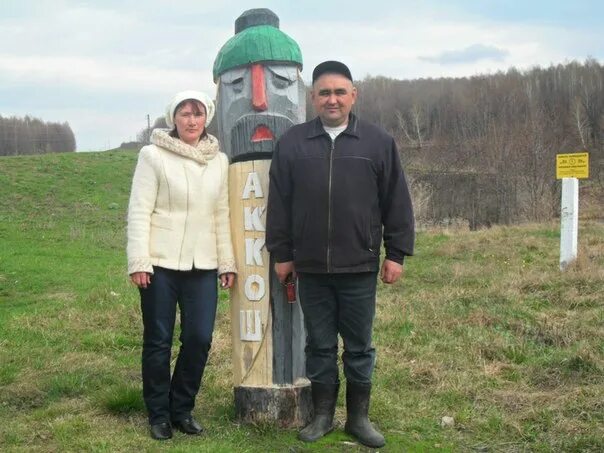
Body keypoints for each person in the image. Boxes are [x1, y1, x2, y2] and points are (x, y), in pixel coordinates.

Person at [266, 61, 414, 448]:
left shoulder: (378, 143)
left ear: (353, 95)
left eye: (339, 92)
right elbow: (279, 204)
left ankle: (359, 419)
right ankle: (322, 416)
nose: (332, 99)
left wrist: (395, 253)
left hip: (359, 266)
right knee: (318, 345)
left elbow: (397, 202)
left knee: (359, 345)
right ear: (313, 98)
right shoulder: (293, 144)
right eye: (324, 93)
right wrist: (282, 253)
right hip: (310, 267)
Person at [127, 90, 237, 440]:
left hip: (203, 265)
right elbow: (140, 210)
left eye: (198, 114)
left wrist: (226, 262)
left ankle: (182, 409)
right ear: (173, 118)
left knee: (199, 338)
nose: (192, 120)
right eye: (185, 114)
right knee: (158, 340)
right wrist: (138, 260)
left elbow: (222, 214)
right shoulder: (152, 155)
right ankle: (158, 414)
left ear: (207, 117)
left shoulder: (218, 161)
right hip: (159, 264)